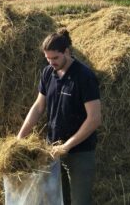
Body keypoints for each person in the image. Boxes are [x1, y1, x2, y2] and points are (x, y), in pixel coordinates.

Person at [17, 29, 102, 205]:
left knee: (80, 201)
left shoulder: (84, 77)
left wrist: (66, 146)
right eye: (47, 59)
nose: (51, 62)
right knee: (54, 199)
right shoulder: (48, 73)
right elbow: (39, 107)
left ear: (67, 52)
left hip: (80, 151)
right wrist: (20, 137)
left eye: (55, 58)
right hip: (52, 150)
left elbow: (94, 119)